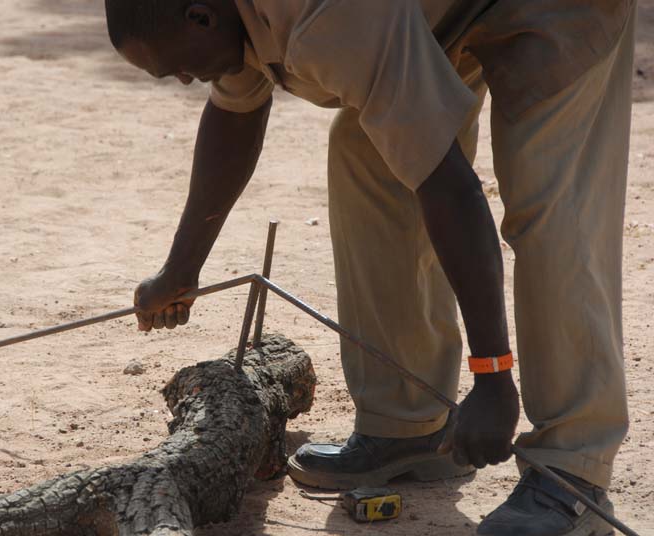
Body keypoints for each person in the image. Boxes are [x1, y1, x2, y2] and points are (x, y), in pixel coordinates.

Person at [104, 1, 636, 534]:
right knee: (371, 155)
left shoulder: (322, 15)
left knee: (552, 203)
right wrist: (181, 267)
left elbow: (448, 186)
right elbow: (236, 110)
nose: (181, 80)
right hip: (433, 12)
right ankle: (407, 423)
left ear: (200, 17)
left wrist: (493, 377)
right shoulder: (228, 18)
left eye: (174, 66)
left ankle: (572, 473)